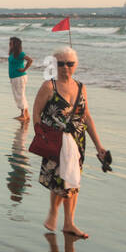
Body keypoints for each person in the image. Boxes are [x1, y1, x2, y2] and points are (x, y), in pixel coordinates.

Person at [31, 48, 108, 240]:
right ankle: (53, 212)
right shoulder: (49, 87)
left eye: (70, 63)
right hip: (56, 141)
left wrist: (99, 146)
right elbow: (36, 113)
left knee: (73, 182)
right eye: (61, 63)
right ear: (54, 65)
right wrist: (41, 136)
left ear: (76, 65)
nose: (65, 67)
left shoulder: (81, 87)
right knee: (60, 181)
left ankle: (69, 223)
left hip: (77, 141)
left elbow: (87, 117)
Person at [8, 37, 34, 122]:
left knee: (20, 95)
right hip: (14, 77)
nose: (9, 45)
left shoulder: (20, 54)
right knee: (18, 95)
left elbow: (30, 60)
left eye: (11, 43)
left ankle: (23, 115)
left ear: (15, 45)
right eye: (9, 43)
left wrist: (24, 69)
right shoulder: (12, 53)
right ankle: (26, 114)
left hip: (19, 77)